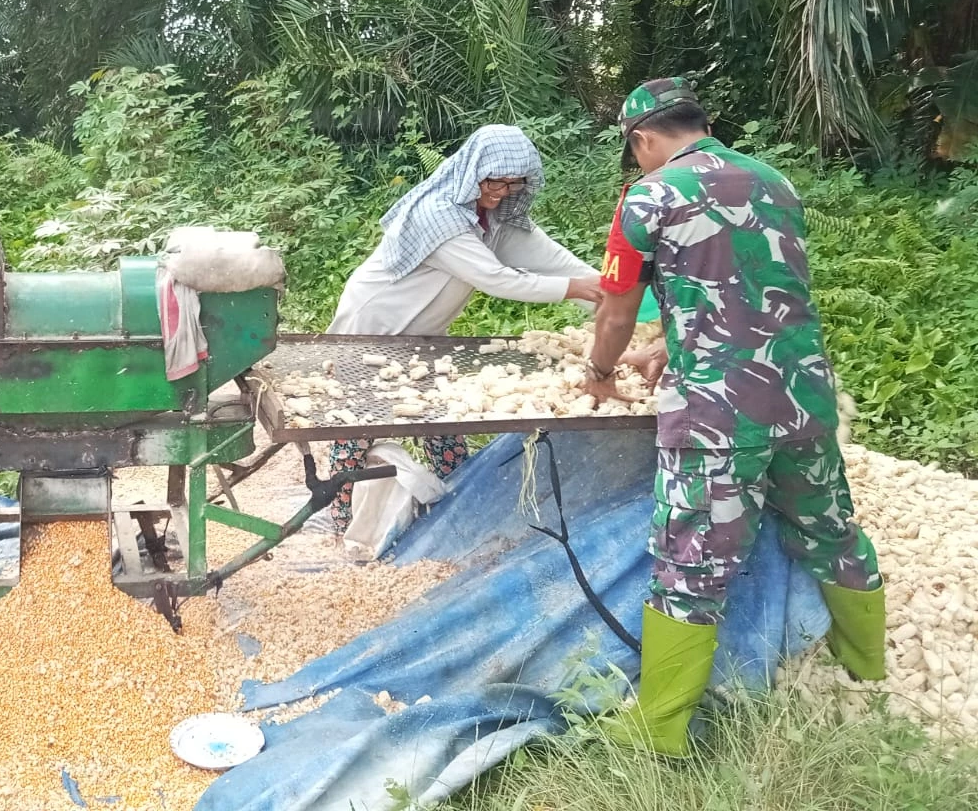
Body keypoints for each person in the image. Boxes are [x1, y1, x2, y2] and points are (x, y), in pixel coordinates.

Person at [585, 77, 884, 756]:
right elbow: (753, 289)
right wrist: (675, 340)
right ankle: (865, 666)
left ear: (642, 140)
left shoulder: (647, 197)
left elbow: (615, 311)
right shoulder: (776, 183)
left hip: (719, 415)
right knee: (830, 527)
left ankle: (657, 728)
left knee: (691, 560)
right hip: (804, 393)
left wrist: (600, 371)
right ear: (700, 123)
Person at [325, 125, 604, 533]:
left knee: (442, 419)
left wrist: (610, 293)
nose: (501, 191)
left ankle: (454, 514)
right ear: (473, 170)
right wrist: (576, 290)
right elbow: (498, 279)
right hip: (371, 327)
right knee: (360, 427)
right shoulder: (440, 217)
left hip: (422, 339)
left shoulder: (491, 217)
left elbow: (554, 262)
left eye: (513, 183)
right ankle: (344, 524)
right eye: (493, 180)